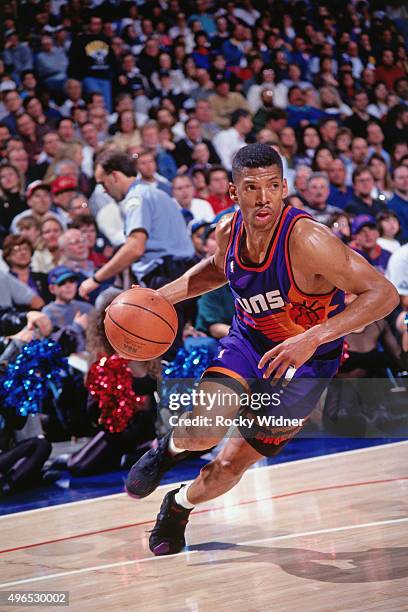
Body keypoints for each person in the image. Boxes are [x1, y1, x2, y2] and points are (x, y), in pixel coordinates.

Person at [125, 143, 398, 556]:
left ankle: (177, 504)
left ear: (285, 187)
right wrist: (159, 297)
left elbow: (383, 294)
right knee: (204, 429)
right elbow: (217, 270)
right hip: (249, 342)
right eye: (252, 187)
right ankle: (169, 450)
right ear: (234, 193)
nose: (263, 197)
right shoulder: (227, 231)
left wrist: (312, 337)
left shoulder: (309, 239)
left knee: (231, 466)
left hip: (308, 359)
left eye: (273, 186)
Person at [78, 151, 195, 298]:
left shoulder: (136, 198)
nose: (104, 191)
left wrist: (96, 279)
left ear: (114, 176)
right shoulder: (157, 193)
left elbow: (135, 248)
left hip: (164, 276)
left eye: (103, 183)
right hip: (185, 273)